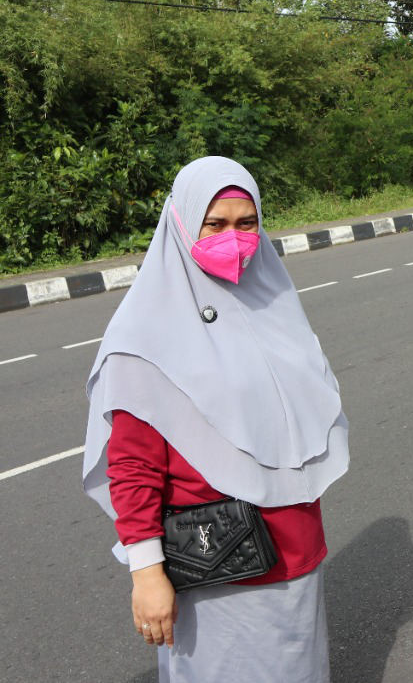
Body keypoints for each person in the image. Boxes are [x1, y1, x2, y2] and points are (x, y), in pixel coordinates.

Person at [81, 157, 349, 682]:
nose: (235, 238)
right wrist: (147, 573)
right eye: (215, 224)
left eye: (246, 224)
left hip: (295, 550)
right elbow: (132, 467)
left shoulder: (273, 302)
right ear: (181, 224)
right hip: (215, 564)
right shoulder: (143, 335)